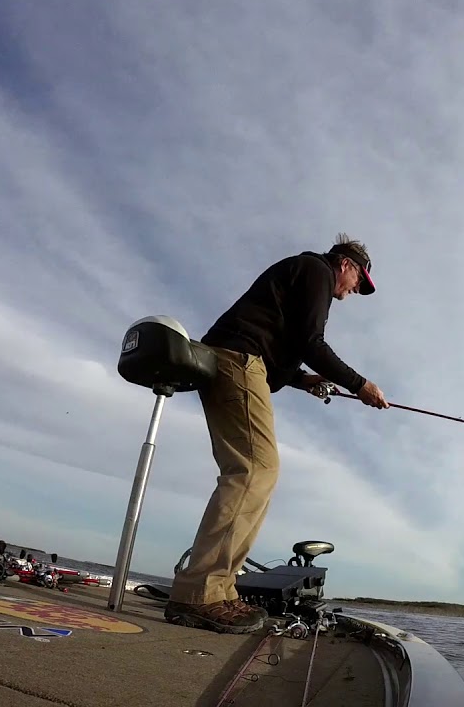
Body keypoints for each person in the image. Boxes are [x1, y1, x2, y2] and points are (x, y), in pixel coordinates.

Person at [163, 233, 390, 634]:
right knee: (255, 472)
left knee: (252, 474)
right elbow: (310, 342)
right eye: (359, 282)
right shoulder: (317, 271)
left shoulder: (303, 272)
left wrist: (303, 380)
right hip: (238, 362)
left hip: (230, 360)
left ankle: (218, 590)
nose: (353, 291)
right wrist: (361, 385)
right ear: (346, 265)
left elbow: (282, 340)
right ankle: (201, 593)